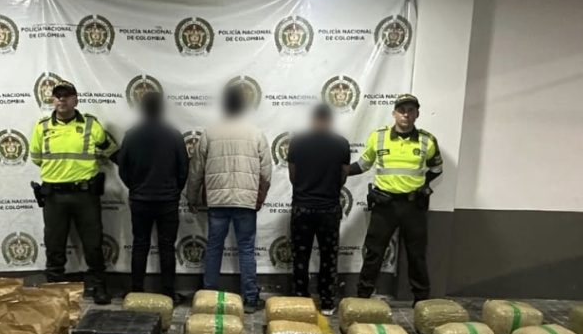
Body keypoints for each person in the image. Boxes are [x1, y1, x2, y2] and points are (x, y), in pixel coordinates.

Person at [347, 93, 443, 303]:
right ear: (394, 114)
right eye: (402, 110)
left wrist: (422, 185)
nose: (406, 115)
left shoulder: (427, 140)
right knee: (374, 253)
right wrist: (340, 171)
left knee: (416, 255)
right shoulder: (378, 137)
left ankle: (421, 302)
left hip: (413, 206)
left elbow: (437, 169)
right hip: (385, 206)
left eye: (411, 110)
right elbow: (363, 164)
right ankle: (362, 298)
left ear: (417, 114)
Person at [29, 81, 117, 303]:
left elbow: (110, 148)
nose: (62, 99)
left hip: (85, 195)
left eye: (67, 95)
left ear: (75, 99)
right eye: (57, 95)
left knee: (93, 245)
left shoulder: (90, 124)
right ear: (52, 99)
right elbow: (36, 158)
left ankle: (98, 287)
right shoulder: (42, 127)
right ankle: (54, 291)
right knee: (54, 246)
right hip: (54, 196)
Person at [187, 83, 271, 313]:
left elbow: (196, 170)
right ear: (243, 106)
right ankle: (250, 299)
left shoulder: (210, 133)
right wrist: (260, 197)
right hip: (245, 201)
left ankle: (208, 296)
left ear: (224, 105)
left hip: (218, 201)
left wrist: (192, 197)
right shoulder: (256, 133)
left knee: (214, 247)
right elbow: (266, 172)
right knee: (246, 249)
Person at [116, 91, 189, 302]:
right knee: (167, 247)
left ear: (142, 109)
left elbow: (123, 169)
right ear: (162, 108)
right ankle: (168, 293)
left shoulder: (131, 135)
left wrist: (135, 187)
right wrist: (174, 190)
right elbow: (183, 169)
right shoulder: (174, 135)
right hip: (168, 200)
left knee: (140, 245)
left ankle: (136, 291)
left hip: (140, 199)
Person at [286, 103, 350, 315]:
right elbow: (343, 176)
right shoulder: (341, 144)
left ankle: (300, 298)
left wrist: (306, 189)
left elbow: (293, 176)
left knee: (300, 256)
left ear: (313, 119)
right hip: (328, 209)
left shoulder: (297, 142)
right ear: (330, 120)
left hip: (302, 208)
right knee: (329, 257)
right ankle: (327, 302)